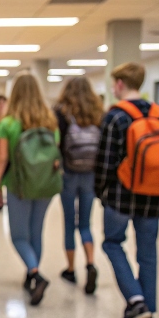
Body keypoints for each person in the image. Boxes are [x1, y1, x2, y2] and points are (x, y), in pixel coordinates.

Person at [95, 62, 159, 318]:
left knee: (112, 243)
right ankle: (148, 311)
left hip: (121, 195)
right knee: (148, 253)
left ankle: (136, 300)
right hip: (154, 195)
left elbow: (105, 162)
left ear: (119, 83)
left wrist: (100, 191)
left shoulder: (115, 116)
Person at [0, 73, 61, 306]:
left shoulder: (7, 123)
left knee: (19, 236)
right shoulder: (50, 122)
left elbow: (2, 158)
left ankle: (35, 273)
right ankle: (32, 275)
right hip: (45, 185)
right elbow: (55, 155)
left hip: (18, 185)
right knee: (35, 232)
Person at [54, 77, 103, 294]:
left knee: (68, 222)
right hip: (89, 175)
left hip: (68, 173)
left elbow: (57, 144)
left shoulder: (62, 112)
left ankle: (71, 269)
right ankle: (90, 263)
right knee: (85, 223)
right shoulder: (97, 113)